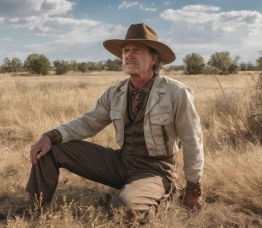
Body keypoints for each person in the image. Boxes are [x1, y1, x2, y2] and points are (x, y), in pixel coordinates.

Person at [26, 23, 204, 218]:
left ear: (154, 59)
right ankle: (35, 210)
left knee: (122, 209)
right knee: (52, 148)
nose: (129, 54)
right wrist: (50, 136)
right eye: (126, 50)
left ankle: (163, 194)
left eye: (137, 50)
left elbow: (192, 141)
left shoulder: (176, 93)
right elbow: (87, 123)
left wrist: (193, 189)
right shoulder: (116, 92)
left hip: (155, 170)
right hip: (121, 161)